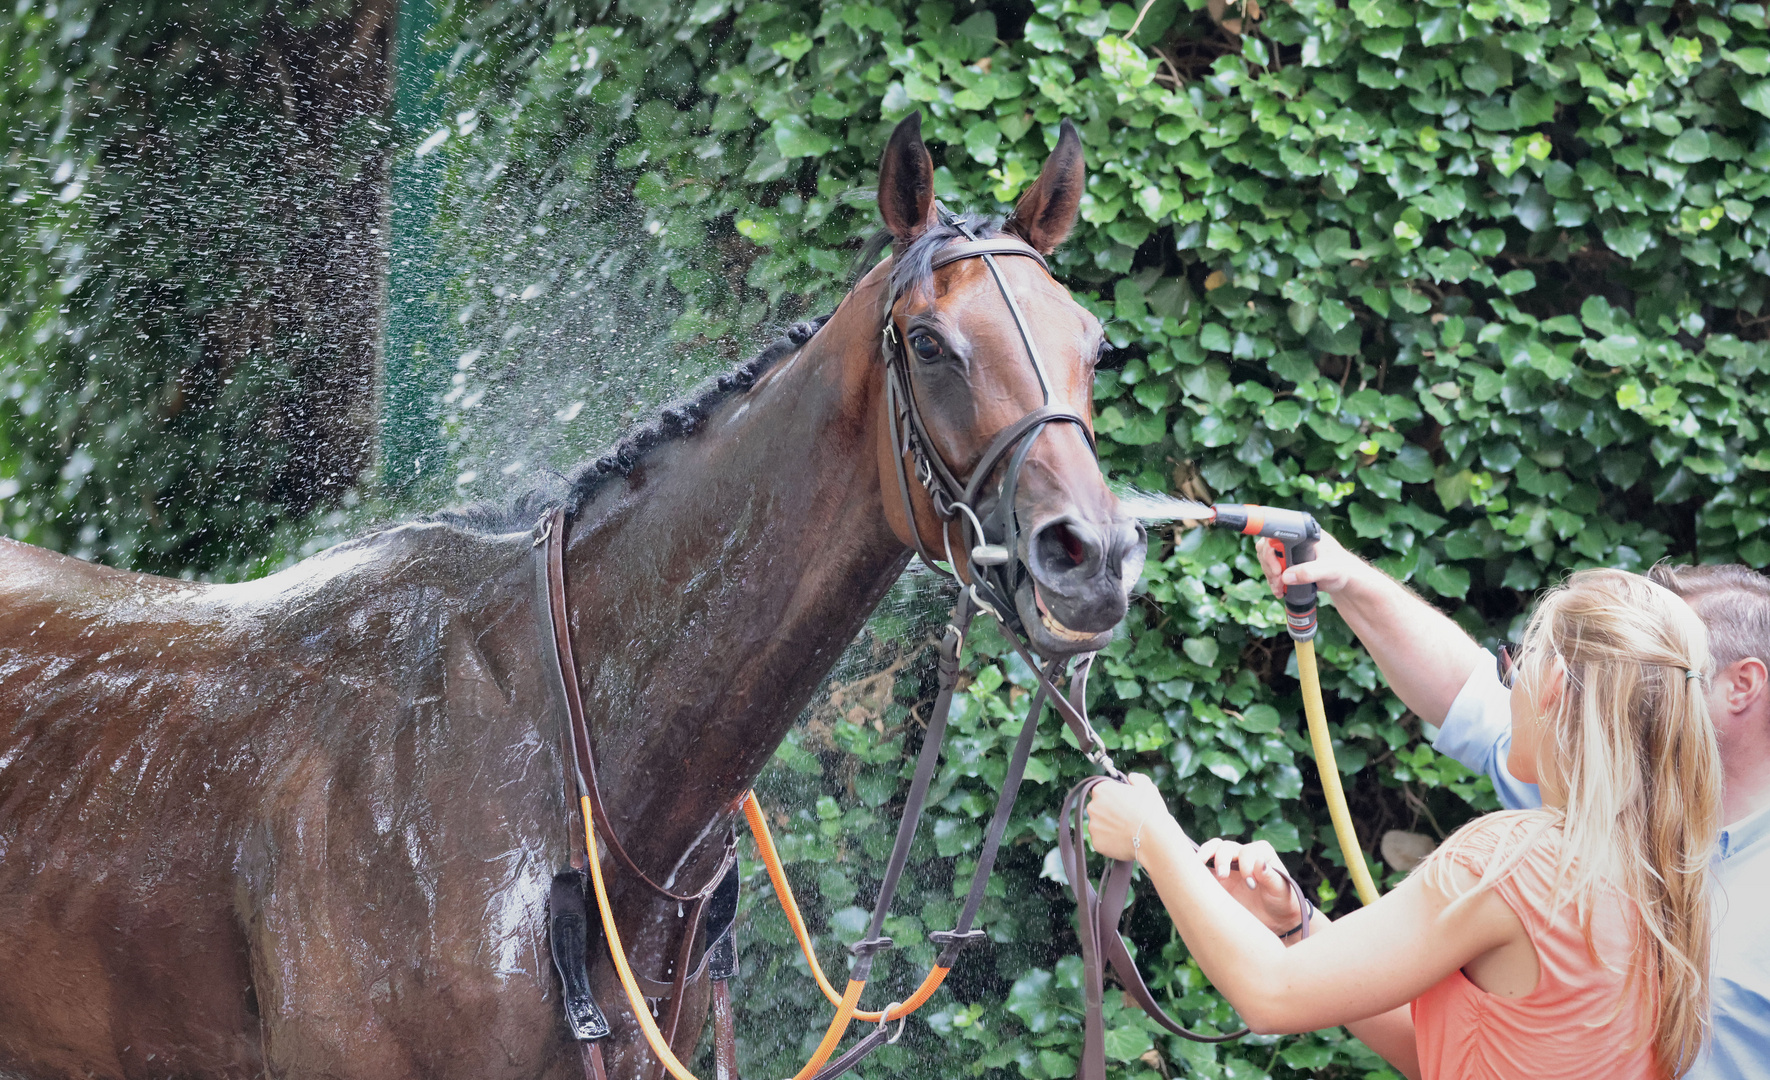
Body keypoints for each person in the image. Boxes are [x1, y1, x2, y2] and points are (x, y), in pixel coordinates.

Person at [1088, 568, 1720, 1080]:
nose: (1512, 680)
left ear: (1554, 684)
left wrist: (1151, 833)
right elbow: (1446, 1056)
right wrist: (1297, 926)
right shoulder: (1665, 875)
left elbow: (1269, 995)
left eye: (1518, 661)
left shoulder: (1517, 861)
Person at [1256, 533, 1770, 1079]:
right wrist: (1347, 579)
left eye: (1655, 670)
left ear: (1742, 685)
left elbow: (1270, 994)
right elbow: (1468, 695)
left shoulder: (1557, 834)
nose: (1620, 686)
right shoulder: (1594, 799)